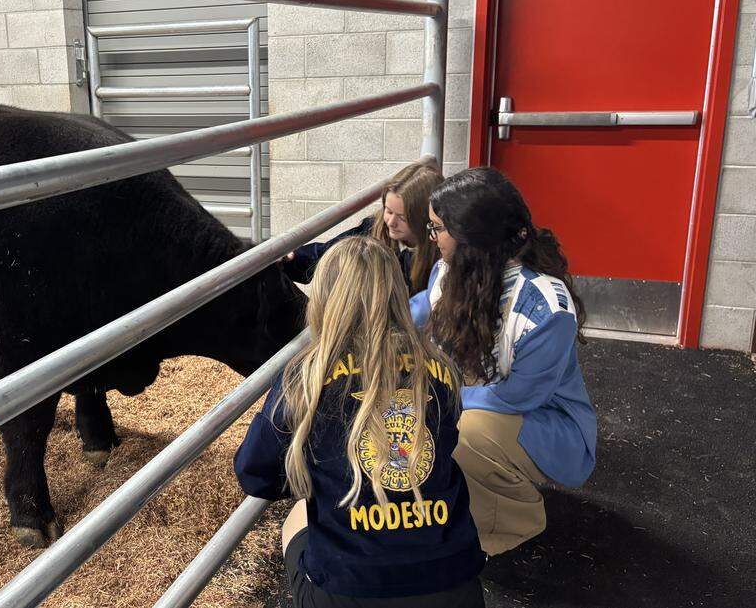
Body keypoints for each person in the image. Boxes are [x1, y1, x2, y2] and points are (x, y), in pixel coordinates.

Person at [236, 236, 485, 608]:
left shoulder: (305, 378)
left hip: (349, 590)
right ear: (397, 294)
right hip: (454, 581)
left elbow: (255, 474)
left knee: (298, 517)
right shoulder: (441, 368)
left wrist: (320, 472)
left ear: (325, 300)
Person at [411, 166, 597, 556]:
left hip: (547, 425)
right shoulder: (449, 271)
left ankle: (509, 524)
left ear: (470, 239)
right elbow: (417, 314)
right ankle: (464, 501)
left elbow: (515, 397)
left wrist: (436, 400)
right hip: (483, 405)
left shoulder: (547, 309)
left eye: (437, 229)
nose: (432, 239)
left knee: (460, 429)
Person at [283, 162, 443, 293]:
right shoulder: (374, 228)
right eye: (388, 211)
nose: (391, 222)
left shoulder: (442, 249)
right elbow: (330, 253)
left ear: (423, 217)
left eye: (402, 217)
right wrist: (293, 258)